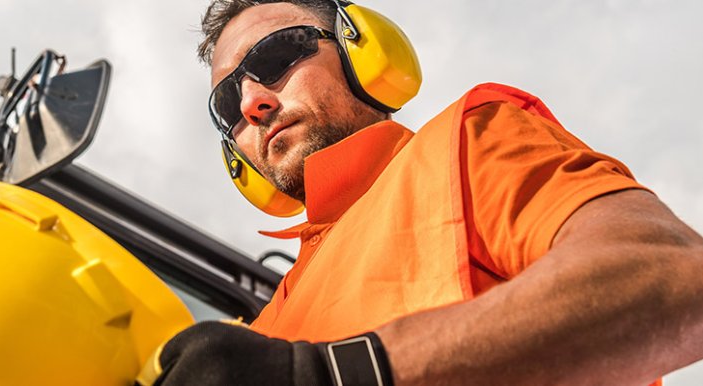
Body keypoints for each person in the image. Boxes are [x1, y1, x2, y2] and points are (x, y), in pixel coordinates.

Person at [149, 1, 703, 385]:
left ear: (360, 50)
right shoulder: (263, 327)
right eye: (227, 103)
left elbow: (673, 276)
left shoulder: (469, 142)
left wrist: (335, 375)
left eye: (275, 59)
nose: (252, 103)